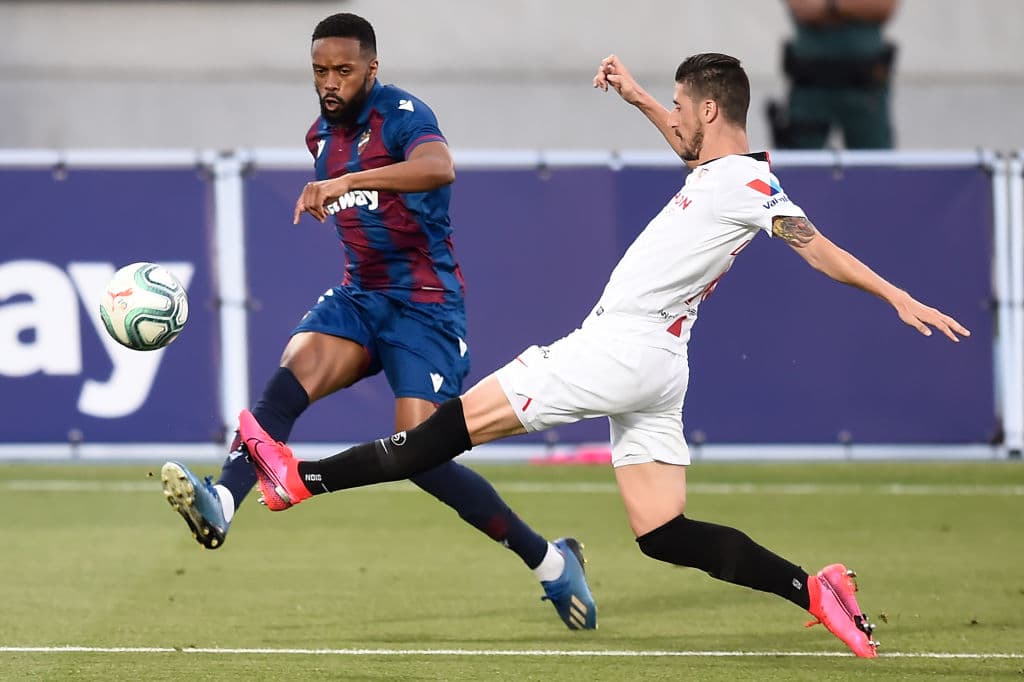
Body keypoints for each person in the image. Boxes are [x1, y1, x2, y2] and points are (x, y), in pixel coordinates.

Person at [239, 52, 971, 658]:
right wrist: (640, 98)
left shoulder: (751, 184)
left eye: (683, 106)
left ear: (710, 111)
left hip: (617, 349)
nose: (676, 118)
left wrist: (895, 295)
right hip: (657, 367)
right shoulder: (722, 175)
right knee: (664, 533)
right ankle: (815, 591)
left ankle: (299, 478)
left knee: (437, 436)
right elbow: (694, 149)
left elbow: (818, 250)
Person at [159, 12, 596, 632]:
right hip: (361, 296)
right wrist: (341, 180)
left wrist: (351, 180)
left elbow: (440, 166)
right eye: (320, 71)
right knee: (292, 374)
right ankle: (224, 500)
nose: (330, 82)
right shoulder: (319, 137)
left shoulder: (402, 115)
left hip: (426, 307)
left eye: (343, 70)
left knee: (421, 455)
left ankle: (550, 562)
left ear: (371, 68)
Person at [768, 0, 899, 149]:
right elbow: (804, 8)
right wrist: (852, 9)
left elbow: (883, 7)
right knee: (801, 162)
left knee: (875, 164)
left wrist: (830, 6)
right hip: (810, 86)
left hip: (866, 88)